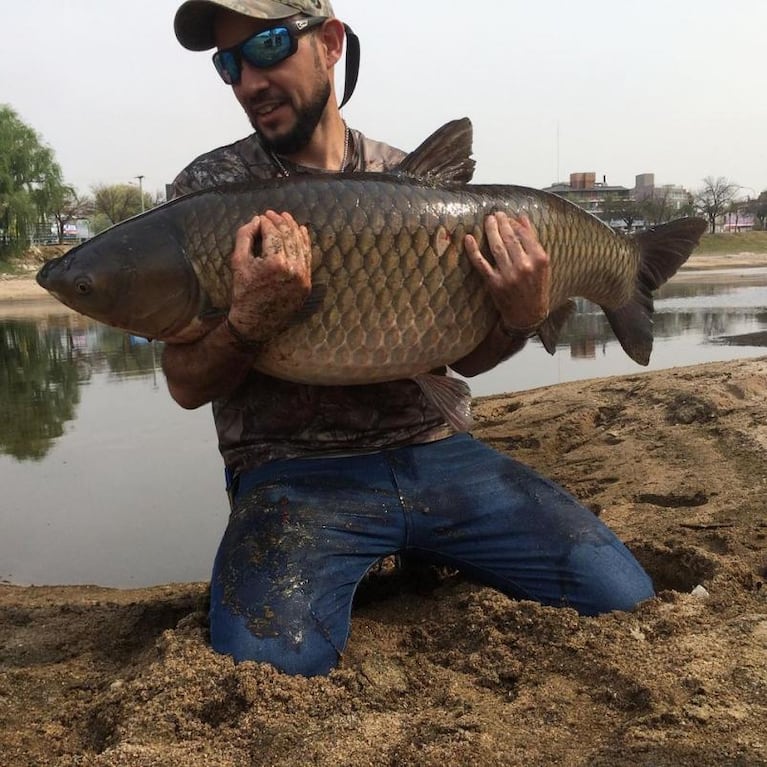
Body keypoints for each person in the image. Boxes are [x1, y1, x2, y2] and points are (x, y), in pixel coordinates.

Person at [168, 0, 654, 677]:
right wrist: (248, 320)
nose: (248, 80)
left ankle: (422, 544)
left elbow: (461, 358)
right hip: (294, 475)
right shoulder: (208, 193)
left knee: (620, 594)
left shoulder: (408, 177)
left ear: (330, 43)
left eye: (269, 45)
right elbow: (185, 383)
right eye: (228, 62)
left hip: (435, 453)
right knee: (270, 664)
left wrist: (517, 315)